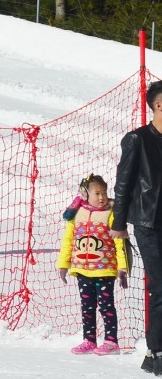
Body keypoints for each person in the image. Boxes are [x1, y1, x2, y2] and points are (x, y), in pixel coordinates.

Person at [109, 79, 162, 373]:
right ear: (158, 105)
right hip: (148, 223)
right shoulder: (137, 139)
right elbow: (124, 182)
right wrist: (118, 224)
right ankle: (156, 352)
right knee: (161, 286)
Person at [59, 173, 127, 355]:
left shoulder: (111, 214)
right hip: (82, 270)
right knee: (87, 307)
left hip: (104, 270)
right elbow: (68, 240)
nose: (102, 197)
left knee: (106, 307)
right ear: (85, 194)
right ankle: (89, 340)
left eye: (104, 192)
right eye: (97, 193)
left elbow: (119, 242)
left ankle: (111, 342)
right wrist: (63, 264)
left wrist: (122, 268)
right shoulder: (76, 214)